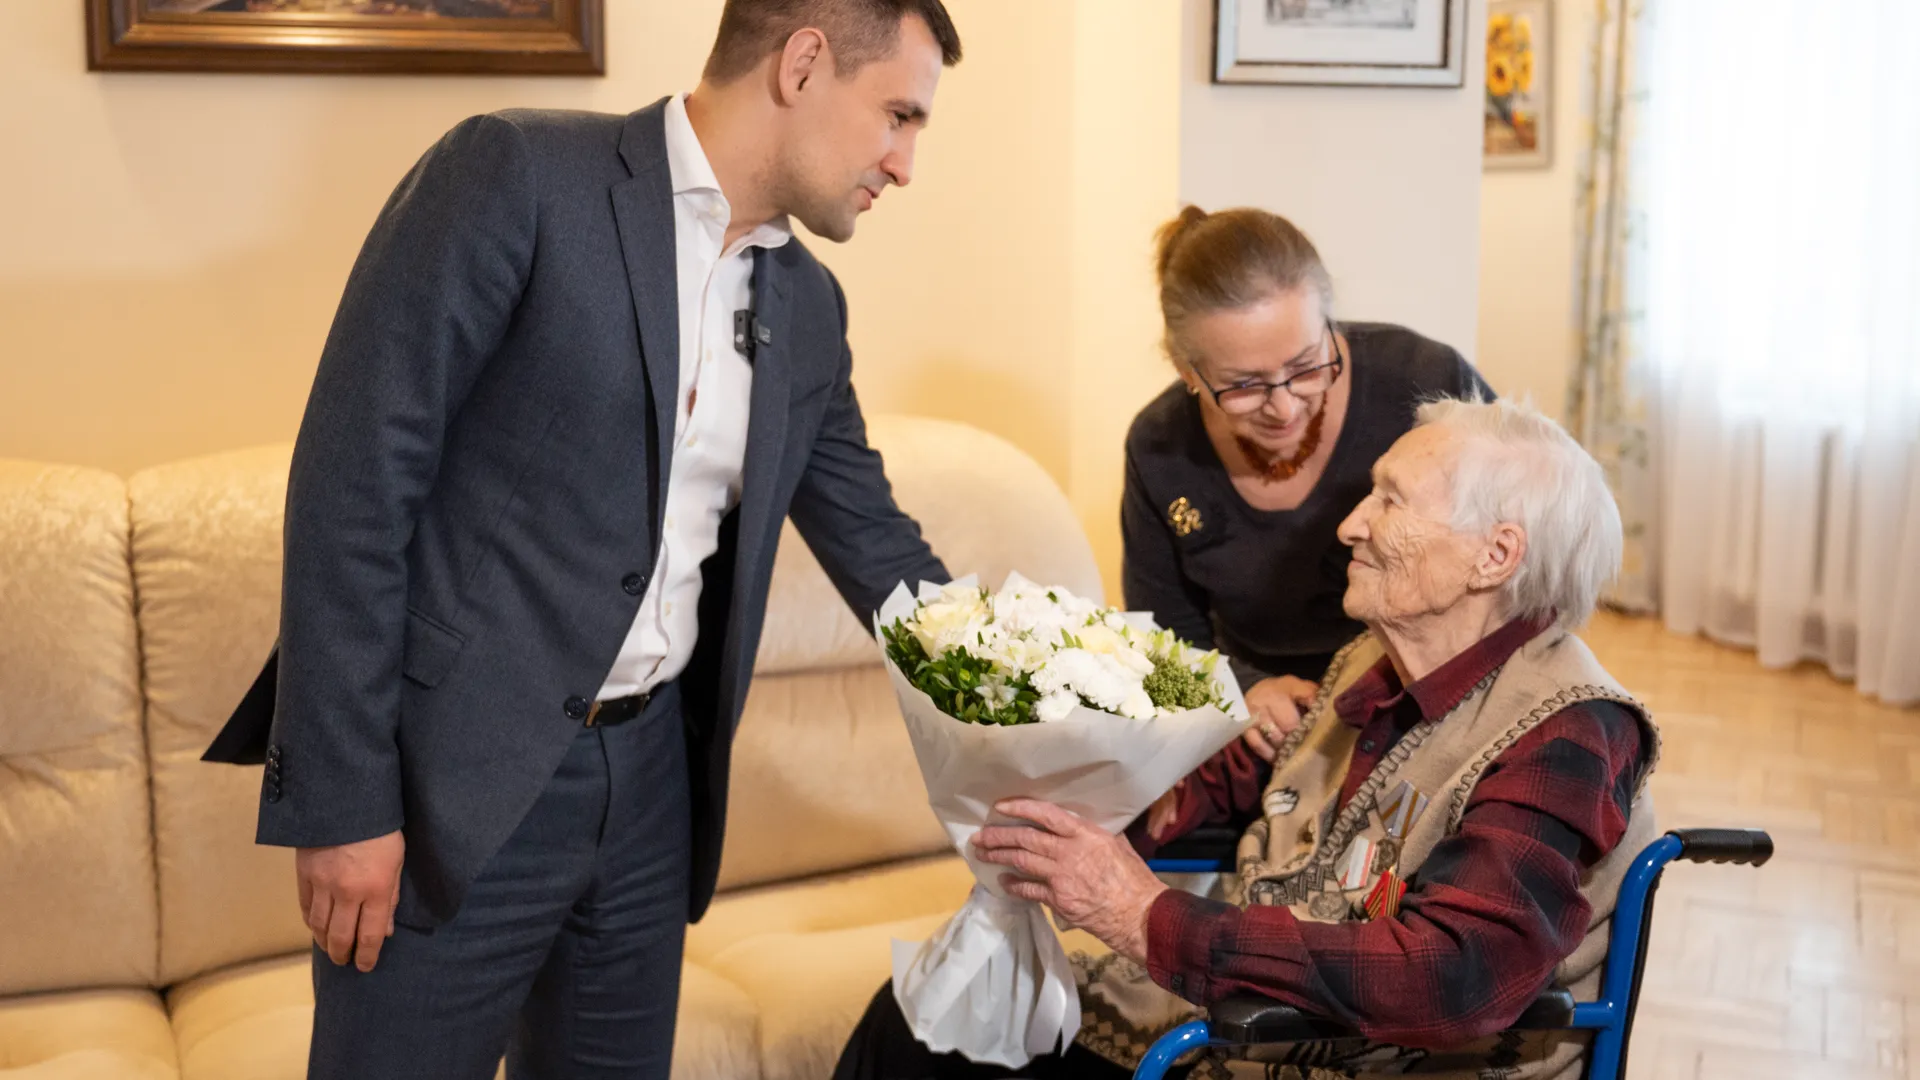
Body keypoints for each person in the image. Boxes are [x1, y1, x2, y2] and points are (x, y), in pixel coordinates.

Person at [199, 2, 961, 1077]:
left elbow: (880, 545)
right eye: (898, 115)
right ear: (803, 63)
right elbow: (352, 488)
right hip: (449, 786)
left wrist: (1065, 715)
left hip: (653, 792)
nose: (905, 161)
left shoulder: (810, 307)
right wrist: (343, 801)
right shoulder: (515, 175)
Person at [834, 397, 1659, 1080]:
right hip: (1259, 1032)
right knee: (923, 1022)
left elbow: (1459, 974)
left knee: (935, 1052)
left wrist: (1147, 919)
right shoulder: (1369, 666)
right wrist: (1072, 801)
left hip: (1381, 1059)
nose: (1349, 525)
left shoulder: (1568, 730)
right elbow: (1235, 795)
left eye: (1391, 500)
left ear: (1494, 556)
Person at [1122, 206, 1492, 770]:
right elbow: (1163, 636)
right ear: (1186, 371)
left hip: (1437, 695)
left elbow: (1539, 533)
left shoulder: (1425, 381)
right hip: (1267, 720)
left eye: (1306, 364)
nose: (1284, 407)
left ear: (1331, 326)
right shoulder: (1159, 447)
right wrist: (1241, 690)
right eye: (1243, 386)